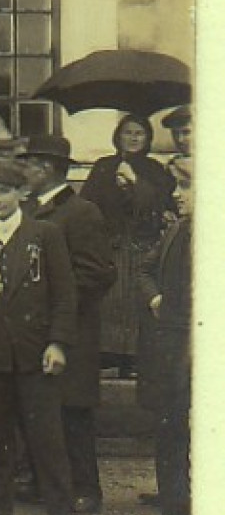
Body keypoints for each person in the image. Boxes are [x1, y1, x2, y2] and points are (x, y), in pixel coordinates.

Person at [0, 160, 98, 515]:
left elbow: (65, 295)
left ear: (22, 194)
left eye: (5, 191)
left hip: (37, 356)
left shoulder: (44, 234)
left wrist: (58, 343)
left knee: (47, 441)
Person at [18, 134, 115, 514]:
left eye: (28, 165)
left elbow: (97, 274)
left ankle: (86, 489)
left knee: (73, 411)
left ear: (46, 169)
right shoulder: (27, 210)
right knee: (42, 409)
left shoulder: (81, 212)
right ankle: (47, 484)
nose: (24, 172)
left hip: (73, 331)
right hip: (35, 329)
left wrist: (56, 305)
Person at [79, 113, 176, 367]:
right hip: (110, 247)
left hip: (143, 247)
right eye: (128, 133)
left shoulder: (155, 169)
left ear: (148, 139)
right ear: (118, 137)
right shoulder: (103, 166)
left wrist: (135, 182)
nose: (133, 138)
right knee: (111, 301)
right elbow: (87, 205)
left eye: (139, 133)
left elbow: (162, 206)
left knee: (138, 301)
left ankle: (135, 358)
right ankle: (110, 355)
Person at [131, 180, 191, 515]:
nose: (177, 194)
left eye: (186, 185)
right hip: (173, 352)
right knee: (172, 436)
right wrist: (156, 296)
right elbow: (147, 267)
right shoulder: (177, 229)